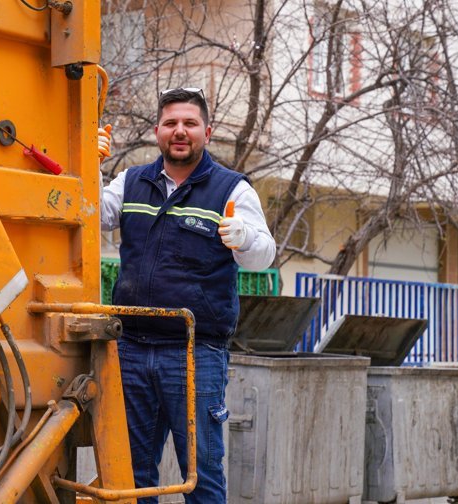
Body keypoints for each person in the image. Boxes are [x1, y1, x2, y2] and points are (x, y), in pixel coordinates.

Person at [98, 88, 275, 502]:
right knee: (134, 475)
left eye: (190, 124)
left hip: (194, 354)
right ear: (157, 131)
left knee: (202, 474)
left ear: (207, 132)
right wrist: (89, 166)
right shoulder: (131, 182)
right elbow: (90, 215)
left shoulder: (232, 190)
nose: (180, 131)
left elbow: (262, 258)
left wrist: (245, 237)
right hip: (133, 349)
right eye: (171, 123)